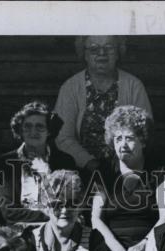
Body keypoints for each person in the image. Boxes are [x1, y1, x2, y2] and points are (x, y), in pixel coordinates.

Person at [53, 36, 152, 178]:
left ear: (118, 53)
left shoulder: (133, 86)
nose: (102, 54)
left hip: (127, 166)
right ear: (85, 54)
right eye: (94, 49)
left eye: (109, 48)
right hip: (81, 168)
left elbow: (145, 131)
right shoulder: (71, 88)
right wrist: (89, 163)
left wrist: (124, 160)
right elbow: (63, 137)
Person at [89, 104, 157, 251]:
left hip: (149, 247)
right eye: (118, 138)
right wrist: (115, 247)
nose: (123, 144)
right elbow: (96, 218)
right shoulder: (105, 171)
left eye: (129, 138)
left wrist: (145, 243)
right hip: (112, 249)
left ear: (143, 141)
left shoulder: (158, 169)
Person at [0, 101, 77, 225]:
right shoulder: (5, 163)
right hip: (20, 230)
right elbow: (9, 212)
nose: (33, 132)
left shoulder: (65, 161)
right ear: (20, 130)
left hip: (58, 229)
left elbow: (70, 205)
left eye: (40, 126)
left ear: (49, 131)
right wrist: (51, 215)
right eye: (27, 126)